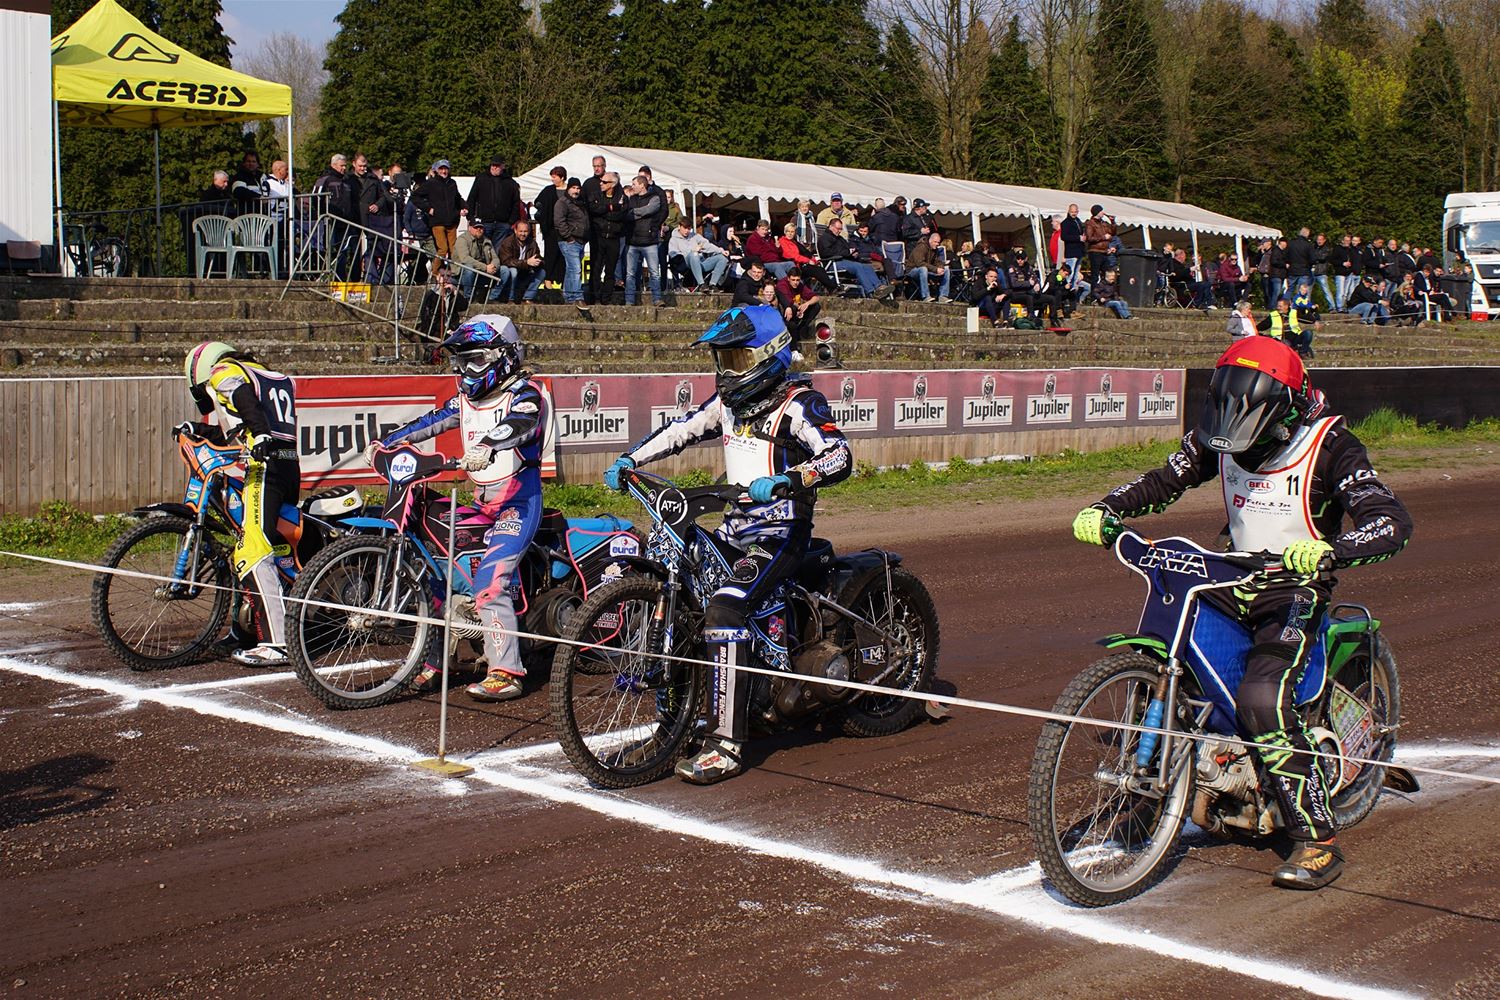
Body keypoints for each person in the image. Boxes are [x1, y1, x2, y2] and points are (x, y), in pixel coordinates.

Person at [1071, 336, 1411, 890]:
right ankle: (1154, 794)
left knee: (1261, 699)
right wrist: (1107, 507)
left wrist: (1332, 550)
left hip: (1293, 588)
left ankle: (1317, 839)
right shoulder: (1220, 437)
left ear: (1284, 410)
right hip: (1230, 576)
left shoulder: (1332, 446)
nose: (1232, 423)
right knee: (1165, 663)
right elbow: (1164, 480)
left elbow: (1390, 521)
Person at [602, 305, 852, 783]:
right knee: (690, 598)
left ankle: (726, 746)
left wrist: (790, 479)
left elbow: (839, 453)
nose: (728, 370)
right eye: (723, 359)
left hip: (781, 531)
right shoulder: (728, 404)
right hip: (736, 527)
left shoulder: (799, 404)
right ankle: (673, 725)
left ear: (769, 355)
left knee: (725, 608)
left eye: (737, 358)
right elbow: (680, 430)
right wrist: (630, 458)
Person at [371, 318, 554, 701]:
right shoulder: (466, 401)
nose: (466, 370)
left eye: (475, 360)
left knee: (490, 582)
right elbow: (430, 423)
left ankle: (506, 671)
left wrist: (488, 444)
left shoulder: (526, 393)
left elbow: (521, 423)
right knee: (435, 569)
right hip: (480, 502)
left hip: (519, 503)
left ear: (503, 356)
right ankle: (439, 658)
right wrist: (385, 442)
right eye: (461, 362)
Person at [183, 341, 299, 667]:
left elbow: (246, 405)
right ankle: (247, 631)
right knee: (268, 547)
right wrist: (198, 429)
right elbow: (237, 428)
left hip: (265, 469)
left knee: (253, 549)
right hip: (288, 465)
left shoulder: (224, 372)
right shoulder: (265, 375)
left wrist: (260, 435)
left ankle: (278, 642)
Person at [817, 217, 892, 300]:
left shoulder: (840, 238)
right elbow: (826, 253)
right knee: (857, 266)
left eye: (841, 229)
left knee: (867, 266)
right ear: (831, 226)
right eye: (838, 229)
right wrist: (847, 252)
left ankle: (879, 287)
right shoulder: (824, 238)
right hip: (832, 262)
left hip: (844, 260)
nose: (839, 231)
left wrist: (852, 253)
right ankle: (870, 291)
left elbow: (847, 249)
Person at [623, 174, 665, 307]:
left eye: (634, 184)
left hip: (649, 241)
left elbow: (650, 209)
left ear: (642, 185)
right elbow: (626, 215)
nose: (632, 187)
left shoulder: (655, 198)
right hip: (632, 241)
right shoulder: (630, 199)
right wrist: (641, 213)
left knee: (654, 273)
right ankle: (629, 300)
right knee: (630, 274)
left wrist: (635, 213)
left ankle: (657, 299)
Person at [419, 159, 466, 260]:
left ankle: (453, 269)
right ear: (436, 170)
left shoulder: (452, 183)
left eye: (446, 169)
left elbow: (457, 198)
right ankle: (436, 269)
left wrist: (464, 207)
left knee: (453, 250)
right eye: (441, 169)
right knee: (443, 250)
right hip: (437, 221)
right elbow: (415, 197)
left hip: (451, 221)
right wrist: (428, 209)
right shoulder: (431, 183)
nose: (444, 171)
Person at [553, 177, 590, 306]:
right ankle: (577, 297)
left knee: (571, 270)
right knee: (576, 269)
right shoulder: (562, 203)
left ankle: (569, 297)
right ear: (568, 188)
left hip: (580, 241)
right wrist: (568, 237)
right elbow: (559, 221)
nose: (576, 191)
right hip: (568, 241)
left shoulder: (580, 203)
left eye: (578, 188)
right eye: (573, 188)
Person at [669, 218, 730, 291]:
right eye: (685, 228)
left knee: (723, 258)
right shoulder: (674, 239)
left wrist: (720, 250)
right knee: (694, 254)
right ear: (679, 226)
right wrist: (693, 251)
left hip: (700, 263)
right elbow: (674, 256)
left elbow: (707, 245)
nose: (687, 231)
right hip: (685, 265)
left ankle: (712, 284)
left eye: (689, 229)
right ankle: (701, 284)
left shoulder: (695, 236)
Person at [777, 222, 837, 293]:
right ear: (785, 232)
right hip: (794, 265)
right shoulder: (782, 242)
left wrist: (814, 260)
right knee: (817, 270)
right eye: (788, 231)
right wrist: (808, 261)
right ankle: (832, 287)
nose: (790, 233)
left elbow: (805, 252)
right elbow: (792, 255)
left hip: (801, 263)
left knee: (819, 269)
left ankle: (831, 287)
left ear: (795, 233)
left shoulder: (794, 242)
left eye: (792, 231)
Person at [496, 219, 546, 303]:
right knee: (513, 271)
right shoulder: (507, 242)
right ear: (515, 231)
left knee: (542, 272)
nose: (523, 234)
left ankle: (528, 298)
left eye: (525, 231)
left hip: (525, 271)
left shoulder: (532, 243)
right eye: (521, 231)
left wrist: (538, 262)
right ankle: (510, 299)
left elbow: (538, 256)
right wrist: (526, 262)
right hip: (510, 271)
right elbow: (506, 261)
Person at [534, 166, 568, 286]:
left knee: (564, 257)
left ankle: (563, 282)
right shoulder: (548, 190)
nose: (552, 179)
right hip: (551, 230)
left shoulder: (570, 190)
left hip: (566, 229)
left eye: (554, 177)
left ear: (562, 177)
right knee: (550, 255)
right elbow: (538, 202)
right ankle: (548, 282)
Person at [455, 218, 502, 302]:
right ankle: (468, 297)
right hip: (461, 275)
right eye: (476, 227)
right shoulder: (462, 239)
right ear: (469, 228)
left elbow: (495, 258)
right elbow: (465, 259)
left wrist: (493, 266)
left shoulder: (487, 240)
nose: (479, 230)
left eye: (481, 227)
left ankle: (492, 297)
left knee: (505, 271)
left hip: (483, 272)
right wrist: (485, 267)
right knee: (469, 268)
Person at [775, 268, 821, 345]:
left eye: (797, 280)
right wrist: (799, 308)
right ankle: (792, 332)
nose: (795, 282)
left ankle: (801, 329)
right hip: (785, 311)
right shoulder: (782, 285)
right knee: (792, 308)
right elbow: (788, 301)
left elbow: (816, 297)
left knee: (816, 306)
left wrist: (807, 304)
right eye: (793, 280)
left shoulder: (799, 285)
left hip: (796, 308)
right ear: (788, 278)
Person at [905, 230, 951, 301]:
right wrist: (935, 269)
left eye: (938, 242)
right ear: (930, 240)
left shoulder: (935, 250)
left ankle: (943, 296)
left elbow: (938, 262)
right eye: (935, 242)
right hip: (912, 270)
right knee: (923, 269)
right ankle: (926, 296)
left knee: (946, 269)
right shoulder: (921, 247)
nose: (937, 244)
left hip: (927, 270)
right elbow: (919, 263)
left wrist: (941, 268)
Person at [1084, 205, 1115, 281]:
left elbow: (1113, 233)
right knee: (1095, 274)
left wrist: (1112, 222)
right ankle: (1094, 288)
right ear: (1097, 212)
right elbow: (1089, 238)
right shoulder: (1090, 223)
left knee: (1107, 273)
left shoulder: (1103, 223)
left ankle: (1105, 288)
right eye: (1101, 211)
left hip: (1105, 252)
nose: (1103, 212)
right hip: (1095, 252)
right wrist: (1103, 237)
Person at [1060, 204, 1086, 286]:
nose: (1074, 214)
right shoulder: (1065, 223)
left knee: (1076, 273)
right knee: (1069, 273)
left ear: (1078, 212)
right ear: (1068, 211)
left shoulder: (1078, 221)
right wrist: (1078, 238)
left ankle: (1073, 288)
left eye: (1075, 212)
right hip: (1071, 252)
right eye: (1072, 212)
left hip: (1079, 251)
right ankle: (1066, 288)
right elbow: (1064, 236)